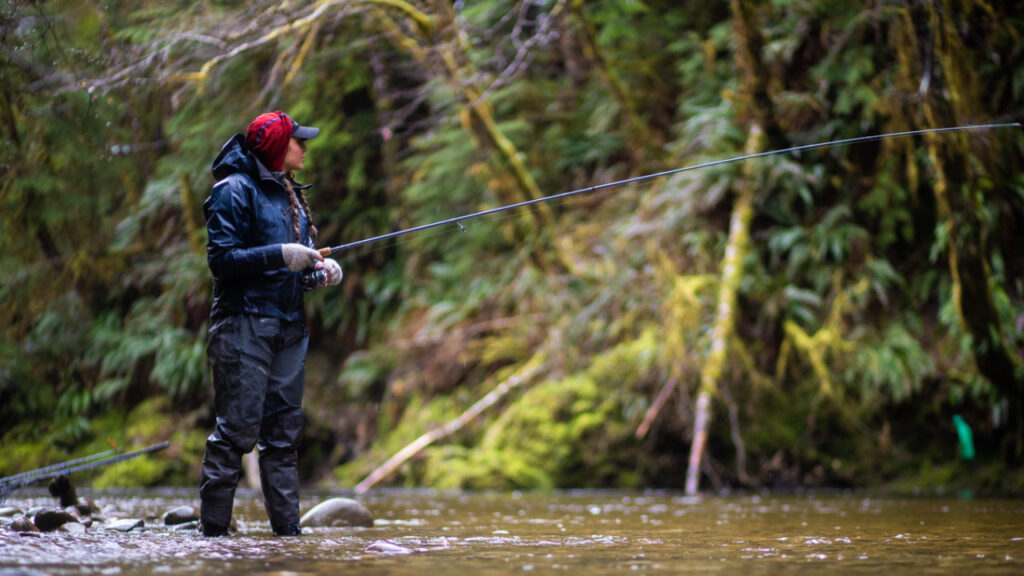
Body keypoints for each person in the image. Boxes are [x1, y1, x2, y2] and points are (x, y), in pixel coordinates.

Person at [199, 111, 342, 537]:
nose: (305, 147)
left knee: (282, 439)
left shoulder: (291, 194)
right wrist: (281, 255)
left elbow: (302, 261)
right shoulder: (233, 190)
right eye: (299, 140)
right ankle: (213, 542)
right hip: (242, 327)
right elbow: (221, 262)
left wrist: (320, 272)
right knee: (236, 434)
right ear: (280, 147)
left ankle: (289, 541)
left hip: (289, 328)